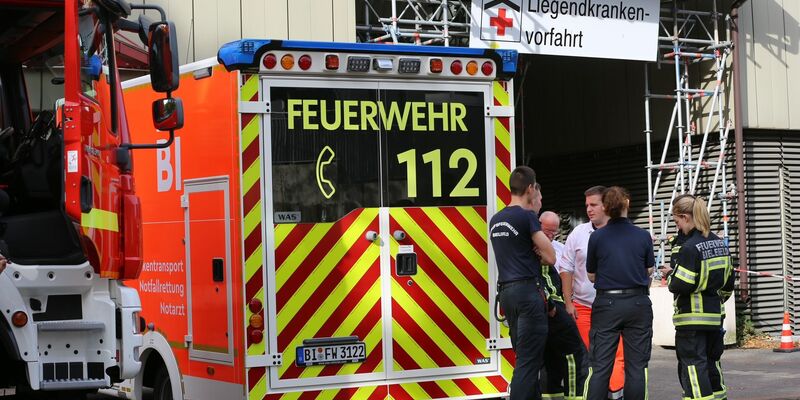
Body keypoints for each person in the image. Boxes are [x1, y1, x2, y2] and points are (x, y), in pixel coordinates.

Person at [490, 166, 556, 400]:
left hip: (507, 295)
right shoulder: (526, 216)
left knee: (525, 357)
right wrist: (537, 252)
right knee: (528, 364)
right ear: (530, 188)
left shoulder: (496, 219)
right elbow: (551, 256)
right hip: (528, 294)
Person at [584, 186, 654, 400]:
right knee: (636, 367)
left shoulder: (597, 237)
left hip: (607, 304)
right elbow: (649, 270)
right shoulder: (643, 236)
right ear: (627, 204)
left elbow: (591, 275)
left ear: (605, 207)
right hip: (638, 303)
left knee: (600, 367)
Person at [558, 186, 625, 399]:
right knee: (591, 357)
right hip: (583, 308)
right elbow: (565, 268)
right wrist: (568, 302)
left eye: (593, 204)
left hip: (615, 306)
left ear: (607, 205)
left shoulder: (621, 231)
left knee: (617, 356)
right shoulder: (578, 233)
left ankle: (616, 394)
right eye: (586, 205)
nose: (588, 209)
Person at [667, 194, 734, 400]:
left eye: (677, 221)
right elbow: (728, 284)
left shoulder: (690, 247)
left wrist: (670, 276)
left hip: (691, 320)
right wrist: (714, 300)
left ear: (685, 217)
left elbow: (680, 284)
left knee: (694, 367)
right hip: (715, 317)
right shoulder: (720, 244)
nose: (678, 227)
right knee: (712, 363)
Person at [538, 210, 589, 400]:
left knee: (551, 358)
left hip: (553, 306)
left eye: (554, 232)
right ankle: (575, 396)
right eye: (547, 231)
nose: (551, 236)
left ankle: (551, 395)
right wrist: (552, 305)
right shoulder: (533, 246)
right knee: (576, 354)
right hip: (551, 308)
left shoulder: (559, 247)